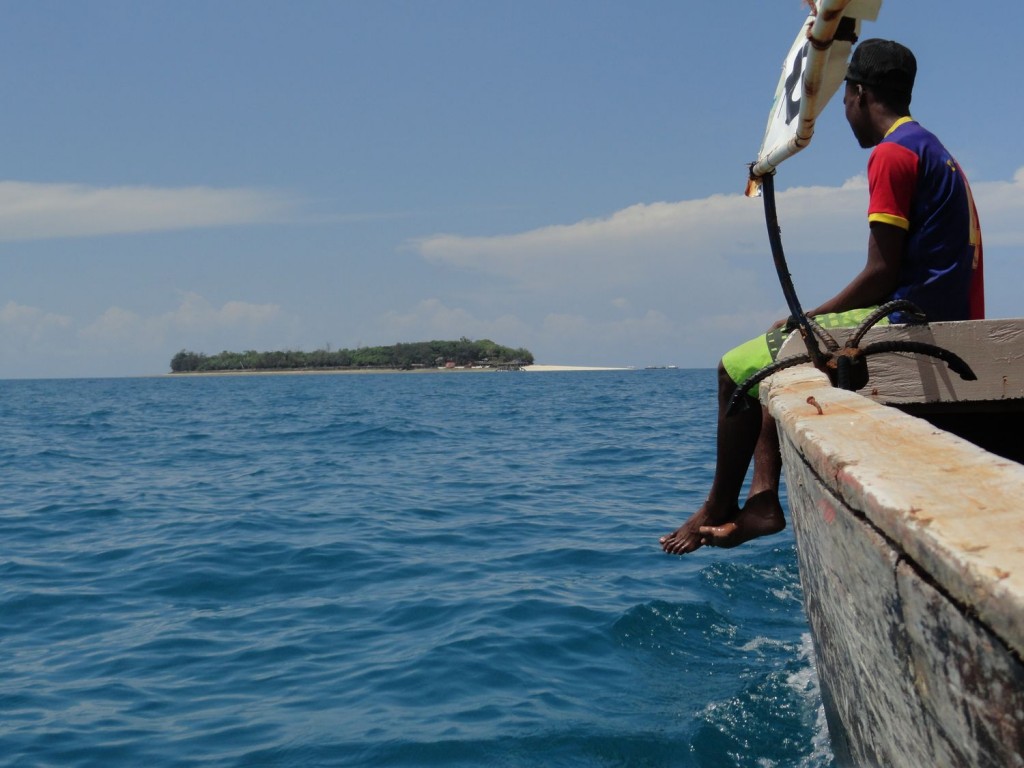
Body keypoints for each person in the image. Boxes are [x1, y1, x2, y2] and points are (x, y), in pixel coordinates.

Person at [660, 38, 985, 556]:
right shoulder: (933, 148)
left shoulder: (893, 155)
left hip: (911, 321)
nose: (844, 112)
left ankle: (721, 506)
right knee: (787, 350)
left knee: (734, 368)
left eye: (844, 100)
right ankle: (764, 499)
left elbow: (881, 273)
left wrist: (804, 316)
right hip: (946, 315)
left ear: (856, 93)